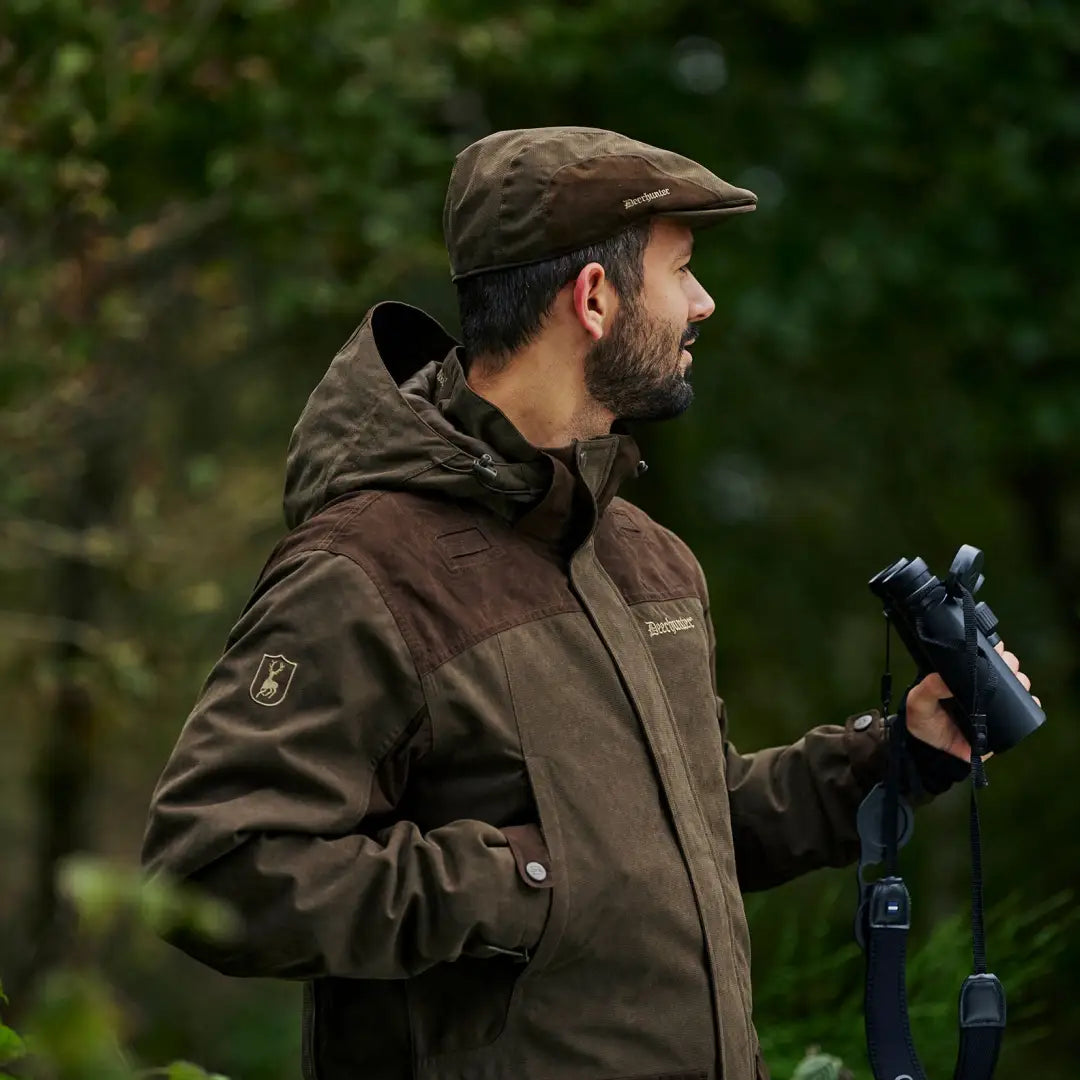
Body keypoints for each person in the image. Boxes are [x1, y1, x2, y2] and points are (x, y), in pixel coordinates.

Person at [141, 127, 1035, 1080]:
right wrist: (523, 882)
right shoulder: (365, 571)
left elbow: (687, 824)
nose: (704, 302)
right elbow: (211, 868)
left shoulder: (647, 560)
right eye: (682, 271)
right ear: (596, 300)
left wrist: (890, 758)